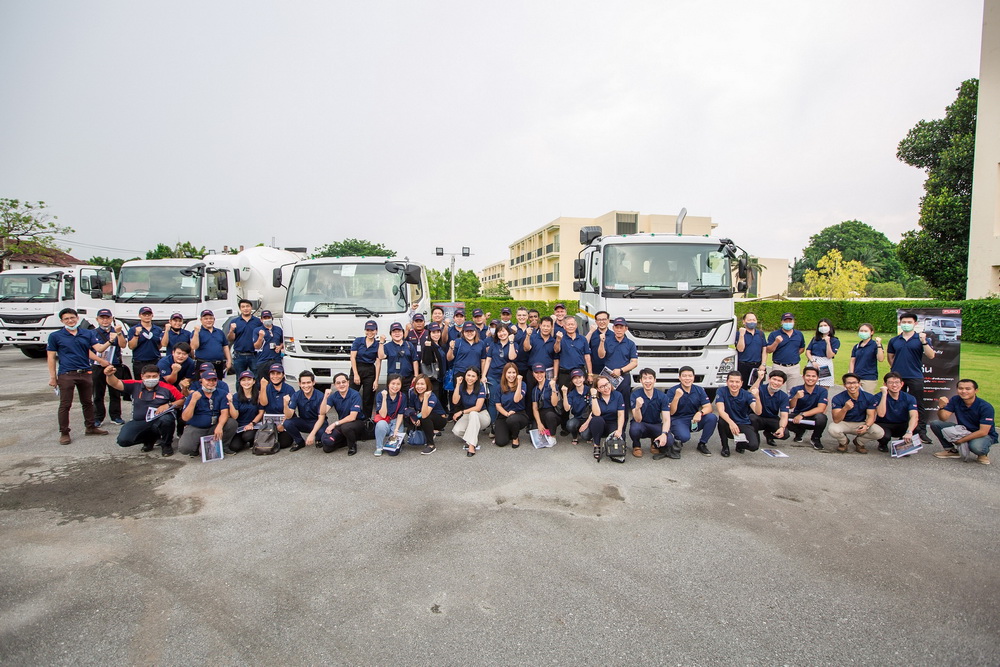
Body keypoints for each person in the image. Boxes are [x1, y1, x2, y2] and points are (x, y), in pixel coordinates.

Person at [47, 307, 110, 445]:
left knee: (87, 402)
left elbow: (97, 349)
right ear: (62, 321)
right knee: (65, 404)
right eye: (66, 319)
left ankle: (90, 427)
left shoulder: (86, 333)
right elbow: (51, 357)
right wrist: (53, 377)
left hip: (85, 372)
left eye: (72, 318)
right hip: (67, 373)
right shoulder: (55, 336)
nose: (70, 321)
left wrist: (110, 341)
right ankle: (64, 432)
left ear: (77, 318)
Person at [105, 363, 184, 457]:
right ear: (142, 376)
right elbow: (115, 383)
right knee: (123, 440)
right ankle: (149, 439)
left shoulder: (168, 388)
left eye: (154, 376)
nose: (151, 379)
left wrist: (169, 404)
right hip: (140, 420)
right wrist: (110, 375)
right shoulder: (135, 385)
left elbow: (182, 400)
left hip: (159, 420)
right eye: (148, 376)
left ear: (159, 376)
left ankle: (166, 444)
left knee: (167, 420)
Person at [887, 312, 935, 440]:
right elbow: (890, 357)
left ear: (915, 324)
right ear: (900, 323)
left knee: (918, 404)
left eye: (909, 322)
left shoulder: (920, 338)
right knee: (896, 403)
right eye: (904, 322)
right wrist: (896, 368)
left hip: (915, 375)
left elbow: (931, 355)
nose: (906, 325)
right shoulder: (894, 340)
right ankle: (901, 429)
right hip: (897, 377)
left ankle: (921, 431)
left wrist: (924, 342)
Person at [930, 379, 997, 465]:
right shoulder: (955, 400)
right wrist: (941, 407)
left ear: (976, 390)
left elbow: (983, 432)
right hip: (964, 430)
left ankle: (982, 453)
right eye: (960, 388)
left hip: (982, 434)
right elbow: (943, 418)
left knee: (977, 447)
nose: (964, 391)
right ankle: (951, 450)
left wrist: (961, 440)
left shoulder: (986, 407)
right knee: (936, 424)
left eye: (968, 389)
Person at [178, 370, 236, 457]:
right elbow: (185, 418)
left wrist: (220, 426)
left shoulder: (222, 393)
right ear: (201, 381)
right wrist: (193, 401)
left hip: (214, 426)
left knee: (232, 423)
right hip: (196, 427)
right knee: (185, 448)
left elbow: (224, 413)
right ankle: (197, 446)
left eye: (214, 380)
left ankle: (223, 446)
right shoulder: (194, 395)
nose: (211, 383)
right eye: (208, 380)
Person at [664, 366, 719, 458]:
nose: (687, 378)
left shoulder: (699, 389)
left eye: (690, 376)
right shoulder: (672, 391)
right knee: (684, 437)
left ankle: (702, 444)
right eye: (684, 376)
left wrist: (700, 413)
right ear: (679, 378)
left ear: (694, 377)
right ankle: (675, 440)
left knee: (712, 417)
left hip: (693, 418)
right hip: (678, 419)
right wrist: (676, 397)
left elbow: (708, 407)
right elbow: (671, 412)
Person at [829, 373, 884, 454]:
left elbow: (871, 416)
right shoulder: (838, 398)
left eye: (854, 383)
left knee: (879, 432)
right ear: (844, 385)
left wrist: (867, 426)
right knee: (832, 429)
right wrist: (845, 408)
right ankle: (844, 442)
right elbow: (836, 420)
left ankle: (859, 442)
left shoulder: (869, 397)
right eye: (848, 383)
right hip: (844, 423)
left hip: (861, 423)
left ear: (859, 384)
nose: (852, 386)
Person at [91, 307, 126, 427]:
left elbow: (123, 345)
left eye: (107, 318)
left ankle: (116, 416)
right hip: (98, 366)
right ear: (97, 319)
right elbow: (89, 350)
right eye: (102, 318)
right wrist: (99, 361)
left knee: (115, 391)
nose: (105, 320)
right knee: (97, 393)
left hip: (114, 365)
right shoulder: (92, 333)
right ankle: (98, 417)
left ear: (112, 319)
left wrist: (119, 333)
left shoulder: (116, 331)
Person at [715, 371, 763, 456]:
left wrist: (757, 398)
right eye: (731, 381)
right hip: (728, 422)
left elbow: (758, 412)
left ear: (741, 383)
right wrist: (731, 423)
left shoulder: (747, 394)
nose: (734, 384)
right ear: (727, 382)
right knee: (721, 421)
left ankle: (740, 445)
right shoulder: (721, 391)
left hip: (743, 423)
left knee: (754, 446)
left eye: (737, 382)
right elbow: (721, 410)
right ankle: (725, 447)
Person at [629, 368, 673, 458]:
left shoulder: (662, 396)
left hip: (655, 424)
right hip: (641, 424)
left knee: (669, 440)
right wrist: (637, 408)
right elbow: (638, 419)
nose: (647, 381)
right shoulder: (635, 395)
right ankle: (636, 446)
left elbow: (666, 419)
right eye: (645, 378)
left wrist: (664, 433)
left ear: (654, 380)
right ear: (641, 380)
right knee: (634, 429)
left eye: (650, 378)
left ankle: (654, 443)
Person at [596, 317, 638, 412]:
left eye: (621, 327)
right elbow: (601, 355)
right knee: (607, 402)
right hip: (608, 377)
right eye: (617, 327)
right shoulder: (607, 340)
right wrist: (602, 342)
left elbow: (634, 363)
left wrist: (621, 370)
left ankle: (622, 426)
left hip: (623, 377)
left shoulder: (630, 344)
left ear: (626, 329)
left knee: (623, 404)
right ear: (613, 328)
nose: (619, 330)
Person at [320, 372, 367, 455]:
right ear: (334, 385)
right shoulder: (334, 396)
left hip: (357, 422)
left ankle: (352, 446)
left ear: (348, 382)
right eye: (338, 383)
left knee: (346, 427)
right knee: (327, 447)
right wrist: (325, 397)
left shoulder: (355, 394)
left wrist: (334, 424)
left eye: (344, 382)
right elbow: (323, 412)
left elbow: (352, 417)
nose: (341, 385)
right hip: (343, 423)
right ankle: (345, 441)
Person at [875, 372, 920, 454]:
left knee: (916, 427)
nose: (894, 385)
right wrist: (884, 394)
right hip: (884, 423)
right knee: (885, 436)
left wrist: (909, 432)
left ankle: (902, 445)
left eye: (897, 382)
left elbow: (914, 416)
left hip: (901, 423)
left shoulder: (909, 398)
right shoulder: (878, 396)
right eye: (890, 383)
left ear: (902, 384)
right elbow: (881, 414)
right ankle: (883, 444)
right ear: (885, 384)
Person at [484, 323, 519, 424]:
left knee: (506, 400)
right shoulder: (493, 344)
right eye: (499, 332)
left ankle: (505, 422)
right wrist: (483, 376)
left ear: (508, 332)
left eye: (503, 331)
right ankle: (493, 424)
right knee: (493, 401)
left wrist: (511, 342)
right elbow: (488, 360)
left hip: (507, 377)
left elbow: (512, 357)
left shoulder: (514, 344)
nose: (501, 334)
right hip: (493, 376)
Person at [283, 370, 326, 452]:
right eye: (303, 383)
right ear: (299, 384)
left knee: (322, 434)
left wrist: (312, 434)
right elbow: (289, 415)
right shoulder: (296, 395)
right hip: (304, 422)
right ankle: (299, 442)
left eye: (308, 382)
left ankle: (318, 439)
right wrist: (285, 404)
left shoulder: (320, 396)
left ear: (313, 382)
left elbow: (321, 418)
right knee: (287, 422)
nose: (306, 386)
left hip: (318, 422)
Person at [787, 366, 829, 450]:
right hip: (797, 416)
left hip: (813, 417)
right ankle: (799, 432)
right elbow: (790, 406)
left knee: (822, 417)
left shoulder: (822, 391)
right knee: (784, 418)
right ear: (803, 377)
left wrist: (802, 415)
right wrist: (796, 397)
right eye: (808, 376)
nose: (810, 378)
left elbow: (821, 409)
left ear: (817, 378)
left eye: (813, 376)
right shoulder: (796, 389)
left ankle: (815, 438)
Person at [405, 374, 448, 455]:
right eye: (417, 384)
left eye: (422, 384)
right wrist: (414, 419)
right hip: (421, 415)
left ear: (427, 385)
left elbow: (425, 414)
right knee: (409, 428)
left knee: (426, 418)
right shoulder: (413, 393)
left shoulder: (431, 396)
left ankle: (431, 445)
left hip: (439, 420)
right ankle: (431, 432)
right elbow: (411, 409)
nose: (419, 387)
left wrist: (425, 398)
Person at [451, 367, 490, 456]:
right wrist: (457, 385)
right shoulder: (461, 387)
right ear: (465, 376)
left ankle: (471, 446)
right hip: (468, 415)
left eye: (473, 376)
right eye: (468, 375)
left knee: (473, 413)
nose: (470, 378)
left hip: (482, 415)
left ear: (477, 378)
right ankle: (473, 436)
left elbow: (478, 407)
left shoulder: (480, 387)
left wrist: (461, 412)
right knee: (457, 431)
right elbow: (455, 401)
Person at [588, 376, 625, 461]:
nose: (606, 388)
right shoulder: (595, 397)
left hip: (612, 422)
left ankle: (612, 448)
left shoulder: (618, 395)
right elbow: (596, 413)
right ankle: (596, 445)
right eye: (602, 387)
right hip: (600, 422)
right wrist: (593, 396)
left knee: (622, 436)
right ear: (598, 389)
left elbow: (621, 414)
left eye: (607, 384)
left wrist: (619, 430)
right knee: (597, 419)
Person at [258, 363, 295, 449]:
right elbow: (263, 403)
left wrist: (283, 424)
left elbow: (291, 410)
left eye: (278, 373)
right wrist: (263, 387)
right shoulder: (266, 388)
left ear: (283, 375)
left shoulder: (289, 389)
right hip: (271, 421)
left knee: (284, 443)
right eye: (272, 374)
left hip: (286, 419)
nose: (275, 376)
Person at [766, 312, 805, 391]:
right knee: (774, 389)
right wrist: (776, 342)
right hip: (779, 366)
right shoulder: (774, 334)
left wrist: (794, 355)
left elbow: (802, 348)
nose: (788, 323)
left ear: (793, 322)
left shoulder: (799, 334)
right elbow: (768, 350)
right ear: (781, 322)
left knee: (792, 391)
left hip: (794, 367)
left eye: (790, 321)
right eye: (785, 321)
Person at [350, 320, 382, 418]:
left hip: (370, 370)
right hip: (357, 367)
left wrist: (376, 380)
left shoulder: (377, 345)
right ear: (365, 331)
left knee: (368, 398)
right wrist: (355, 374)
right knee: (352, 394)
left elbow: (378, 362)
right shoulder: (358, 341)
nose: (370, 332)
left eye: (372, 330)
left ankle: (366, 420)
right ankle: (351, 417)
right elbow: (352, 357)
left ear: (376, 331)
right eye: (368, 330)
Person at [493, 363, 529, 448]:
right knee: (501, 442)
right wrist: (507, 414)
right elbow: (498, 405)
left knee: (512, 419)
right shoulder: (499, 387)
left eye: (514, 372)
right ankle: (507, 431)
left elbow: (516, 399)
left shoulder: (523, 384)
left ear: (517, 374)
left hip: (519, 414)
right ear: (505, 374)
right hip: (504, 415)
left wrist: (519, 382)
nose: (511, 375)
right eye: (509, 373)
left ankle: (515, 438)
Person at [750, 370, 790, 447]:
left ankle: (769, 435)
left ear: (783, 383)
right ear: (769, 379)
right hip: (758, 417)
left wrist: (782, 428)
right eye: (774, 379)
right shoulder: (761, 388)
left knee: (785, 434)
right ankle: (754, 436)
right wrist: (759, 379)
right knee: (752, 418)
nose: (775, 382)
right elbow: (752, 391)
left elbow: (784, 415)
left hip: (772, 418)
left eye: (779, 381)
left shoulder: (783, 396)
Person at [228, 371, 263, 453]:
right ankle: (244, 442)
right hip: (240, 427)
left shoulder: (259, 395)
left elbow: (261, 412)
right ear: (240, 382)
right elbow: (235, 416)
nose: (246, 382)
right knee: (234, 447)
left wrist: (252, 423)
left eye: (249, 379)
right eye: (243, 380)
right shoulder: (236, 396)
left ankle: (253, 440)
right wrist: (230, 402)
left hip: (254, 425)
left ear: (254, 381)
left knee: (247, 436)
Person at [522, 317, 558, 394]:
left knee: (547, 396)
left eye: (548, 326)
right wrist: (527, 336)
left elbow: (556, 360)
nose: (545, 328)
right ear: (540, 326)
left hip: (547, 373)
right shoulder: (533, 337)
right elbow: (526, 348)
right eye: (544, 326)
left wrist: (555, 377)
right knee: (530, 397)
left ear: (552, 327)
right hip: (532, 373)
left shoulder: (554, 342)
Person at [190, 309, 231, 379]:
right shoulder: (196, 332)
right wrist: (196, 332)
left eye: (211, 318)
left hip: (218, 364)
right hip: (203, 364)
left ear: (214, 319)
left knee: (218, 384)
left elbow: (225, 346)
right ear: (201, 320)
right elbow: (194, 346)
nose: (209, 320)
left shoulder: (219, 332)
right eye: (206, 319)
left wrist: (229, 360)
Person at [373, 374, 407, 456]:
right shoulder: (380, 395)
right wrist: (384, 398)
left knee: (393, 452)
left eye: (398, 384)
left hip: (396, 421)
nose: (395, 386)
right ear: (388, 384)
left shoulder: (402, 396)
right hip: (385, 420)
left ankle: (398, 443)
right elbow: (383, 415)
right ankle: (379, 447)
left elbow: (400, 414)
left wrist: (396, 429)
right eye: (393, 383)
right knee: (380, 425)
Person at [227, 299, 262, 377]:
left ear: (251, 308)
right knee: (239, 379)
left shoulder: (257, 321)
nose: (245, 308)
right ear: (240, 309)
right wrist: (231, 330)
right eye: (243, 307)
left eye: (247, 306)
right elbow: (230, 339)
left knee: (256, 378)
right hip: (239, 355)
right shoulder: (235, 321)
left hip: (254, 355)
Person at [553, 316, 591, 389]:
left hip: (579, 372)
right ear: (564, 327)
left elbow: (587, 357)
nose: (570, 326)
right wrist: (558, 340)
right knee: (565, 395)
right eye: (568, 324)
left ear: (576, 326)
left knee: (582, 394)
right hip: (565, 373)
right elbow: (556, 350)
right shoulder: (560, 338)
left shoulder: (582, 339)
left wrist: (590, 374)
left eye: (572, 324)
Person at [126, 306, 163, 379]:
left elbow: (159, 345)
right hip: (140, 361)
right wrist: (136, 334)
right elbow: (131, 346)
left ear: (152, 315)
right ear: (140, 316)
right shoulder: (133, 329)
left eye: (149, 314)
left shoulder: (157, 329)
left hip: (155, 360)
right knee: (140, 384)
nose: (147, 316)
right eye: (144, 314)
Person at [447, 323, 488, 388]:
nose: (469, 333)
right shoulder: (458, 342)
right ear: (463, 332)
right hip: (460, 373)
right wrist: (451, 348)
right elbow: (449, 358)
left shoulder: (481, 343)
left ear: (475, 332)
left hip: (475, 374)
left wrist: (483, 376)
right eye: (467, 331)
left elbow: (483, 360)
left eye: (471, 331)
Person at [379, 322, 418, 388]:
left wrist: (416, 376)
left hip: (407, 379)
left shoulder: (409, 345)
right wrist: (381, 342)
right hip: (393, 381)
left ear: (403, 333)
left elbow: (415, 360)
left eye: (399, 331)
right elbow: (381, 356)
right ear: (391, 334)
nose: (397, 333)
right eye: (394, 332)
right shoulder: (387, 346)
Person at [849, 323, 885, 394]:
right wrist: (851, 375)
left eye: (865, 331)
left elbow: (880, 359)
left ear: (871, 332)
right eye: (861, 331)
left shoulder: (875, 345)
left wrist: (879, 345)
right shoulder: (857, 346)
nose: (863, 333)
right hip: (857, 376)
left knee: (867, 399)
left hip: (869, 377)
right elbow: (852, 361)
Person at [561, 369, 593, 445]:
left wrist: (587, 423)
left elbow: (594, 410)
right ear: (572, 380)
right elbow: (567, 408)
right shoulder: (572, 393)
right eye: (575, 378)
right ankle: (575, 436)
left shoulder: (590, 390)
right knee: (570, 424)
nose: (577, 380)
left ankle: (589, 434)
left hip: (589, 418)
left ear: (584, 378)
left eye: (579, 377)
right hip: (578, 418)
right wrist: (564, 394)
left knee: (585, 436)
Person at [735, 312, 767, 386]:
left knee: (757, 388)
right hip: (743, 365)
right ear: (744, 322)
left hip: (757, 365)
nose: (752, 322)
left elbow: (764, 350)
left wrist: (763, 364)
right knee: (743, 388)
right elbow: (740, 349)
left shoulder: (760, 334)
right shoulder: (739, 334)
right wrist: (742, 335)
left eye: (754, 320)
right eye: (749, 320)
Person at [805, 319, 839, 387]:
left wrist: (828, 342)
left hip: (825, 363)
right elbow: (808, 351)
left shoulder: (835, 341)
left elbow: (829, 355)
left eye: (825, 325)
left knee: (823, 387)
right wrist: (813, 361)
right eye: (821, 326)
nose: (823, 327)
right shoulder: (815, 339)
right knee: (810, 384)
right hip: (813, 362)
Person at [529, 364, 561, 439]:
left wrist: (553, 388)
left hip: (552, 413)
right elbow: (535, 408)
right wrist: (539, 423)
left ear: (545, 373)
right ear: (533, 374)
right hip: (541, 414)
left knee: (550, 415)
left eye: (541, 372)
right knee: (534, 438)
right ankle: (546, 430)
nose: (539, 375)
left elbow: (554, 403)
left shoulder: (551, 384)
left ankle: (552, 436)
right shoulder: (535, 389)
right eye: (536, 373)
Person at [251, 310, 283, 379]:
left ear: (272, 318)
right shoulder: (257, 330)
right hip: (263, 361)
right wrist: (260, 337)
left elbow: (283, 342)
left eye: (268, 317)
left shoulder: (278, 329)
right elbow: (256, 346)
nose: (267, 319)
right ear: (261, 320)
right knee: (263, 383)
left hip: (276, 360)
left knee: (277, 380)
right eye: (265, 318)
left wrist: (280, 347)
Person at [587, 311, 612, 377]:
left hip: (610, 371)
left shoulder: (613, 335)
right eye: (599, 320)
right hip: (595, 371)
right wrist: (591, 332)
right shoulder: (592, 334)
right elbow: (584, 345)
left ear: (608, 320)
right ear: (596, 321)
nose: (601, 322)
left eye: (604, 319)